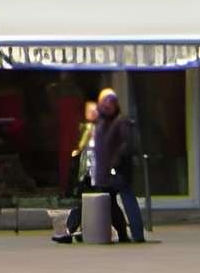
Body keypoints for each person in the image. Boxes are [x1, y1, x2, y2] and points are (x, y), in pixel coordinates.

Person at [95, 87, 145, 245]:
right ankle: (123, 233)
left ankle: (136, 234)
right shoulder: (103, 123)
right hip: (106, 170)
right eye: (104, 103)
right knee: (110, 204)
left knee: (126, 200)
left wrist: (115, 160)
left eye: (110, 103)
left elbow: (126, 144)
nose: (106, 106)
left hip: (118, 170)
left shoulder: (121, 122)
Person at [52, 100, 100, 241]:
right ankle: (72, 229)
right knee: (83, 201)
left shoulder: (98, 128)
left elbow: (82, 147)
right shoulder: (86, 128)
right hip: (88, 170)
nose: (91, 113)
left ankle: (73, 230)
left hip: (96, 170)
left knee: (94, 202)